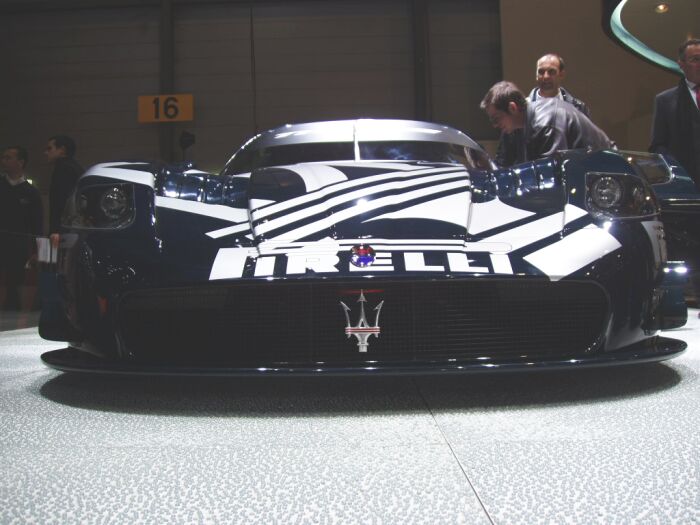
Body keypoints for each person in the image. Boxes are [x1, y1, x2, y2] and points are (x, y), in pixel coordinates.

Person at [496, 54, 590, 167]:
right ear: (536, 75)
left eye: (551, 72)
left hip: (569, 177)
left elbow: (586, 150)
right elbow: (505, 156)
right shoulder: (519, 112)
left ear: (561, 74)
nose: (545, 77)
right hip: (530, 179)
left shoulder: (578, 109)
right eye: (541, 72)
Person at [649, 38, 700, 189]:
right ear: (681, 64)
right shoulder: (665, 101)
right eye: (695, 59)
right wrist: (678, 174)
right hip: (686, 186)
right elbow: (658, 146)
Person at [0, 146, 43, 310]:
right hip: (2, 241)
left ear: (20, 162)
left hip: (20, 244)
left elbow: (37, 223)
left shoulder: (31, 192)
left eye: (8, 157)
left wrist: (37, 250)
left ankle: (18, 312)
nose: (4, 160)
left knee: (20, 277)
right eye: (3, 157)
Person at [45, 135, 83, 247]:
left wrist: (55, 231)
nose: (45, 152)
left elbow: (60, 203)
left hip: (64, 232)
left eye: (49, 148)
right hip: (74, 230)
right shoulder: (75, 168)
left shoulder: (63, 169)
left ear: (62, 150)